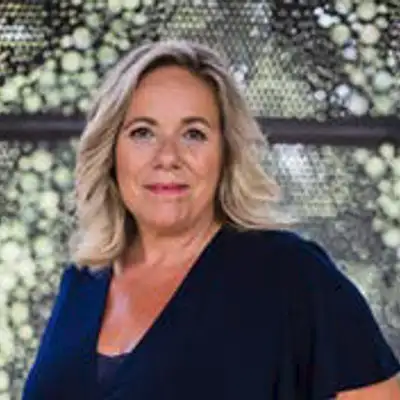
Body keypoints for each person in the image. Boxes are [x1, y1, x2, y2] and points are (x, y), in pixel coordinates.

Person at [23, 39, 400, 400]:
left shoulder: (289, 274)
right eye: (142, 133)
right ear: (110, 152)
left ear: (225, 153)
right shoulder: (81, 281)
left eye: (193, 134)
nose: (167, 157)